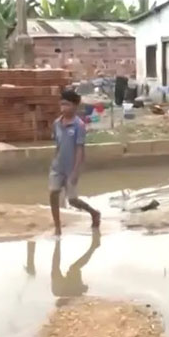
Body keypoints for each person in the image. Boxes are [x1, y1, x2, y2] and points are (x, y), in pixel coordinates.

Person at [49, 89, 100, 235]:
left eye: (67, 105)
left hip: (71, 168)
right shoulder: (57, 124)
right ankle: (57, 226)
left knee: (72, 200)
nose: (64, 108)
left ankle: (94, 213)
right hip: (57, 166)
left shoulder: (79, 125)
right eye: (62, 105)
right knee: (53, 192)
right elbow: (57, 146)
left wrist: (76, 171)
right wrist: (54, 162)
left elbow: (79, 150)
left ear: (75, 106)